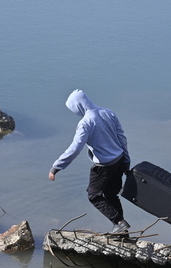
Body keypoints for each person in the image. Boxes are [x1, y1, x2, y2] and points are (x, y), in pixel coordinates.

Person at [49, 89, 131, 235]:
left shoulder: (86, 123)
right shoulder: (108, 112)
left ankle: (119, 222)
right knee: (112, 195)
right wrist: (126, 161)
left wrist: (56, 167)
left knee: (93, 195)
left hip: (104, 167)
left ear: (78, 106)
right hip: (118, 161)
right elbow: (122, 138)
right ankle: (121, 230)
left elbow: (75, 148)